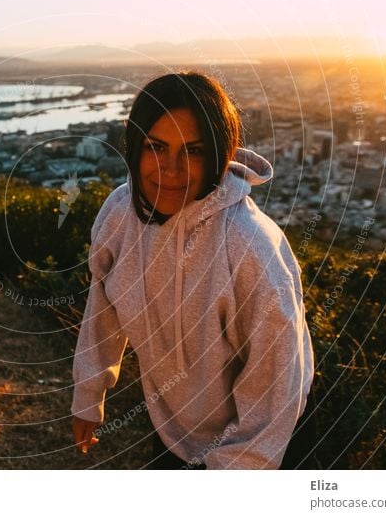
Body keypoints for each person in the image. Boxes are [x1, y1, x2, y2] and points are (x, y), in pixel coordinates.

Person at [70, 72, 315, 469]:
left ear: (221, 152)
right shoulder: (120, 214)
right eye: (155, 147)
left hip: (262, 444)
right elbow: (103, 309)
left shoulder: (251, 249)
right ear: (134, 147)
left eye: (194, 151)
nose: (172, 169)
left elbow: (278, 385)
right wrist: (88, 394)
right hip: (173, 429)